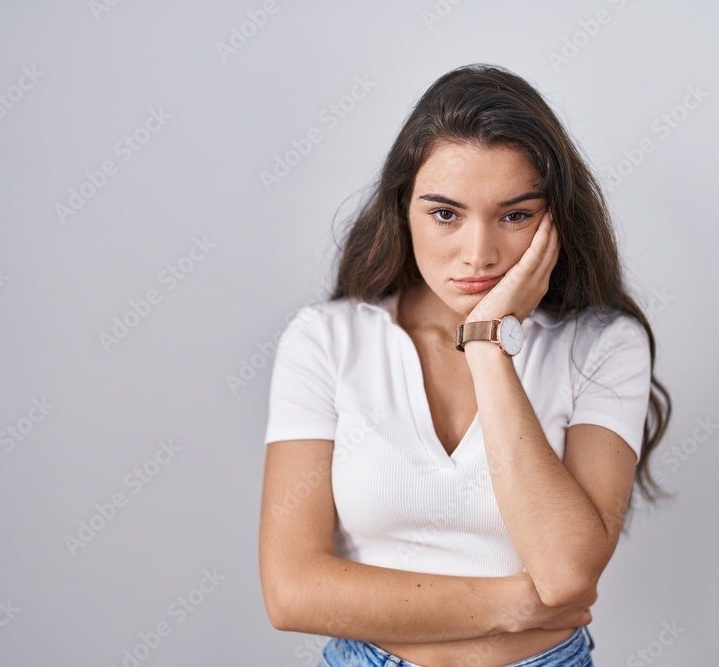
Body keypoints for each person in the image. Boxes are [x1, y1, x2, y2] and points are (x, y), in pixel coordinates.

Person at [259, 63, 672, 667]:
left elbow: (565, 573)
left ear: (556, 218)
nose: (479, 254)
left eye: (515, 215)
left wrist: (488, 345)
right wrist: (511, 606)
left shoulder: (604, 346)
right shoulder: (325, 340)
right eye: (446, 214)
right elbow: (292, 592)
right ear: (403, 209)